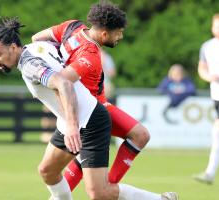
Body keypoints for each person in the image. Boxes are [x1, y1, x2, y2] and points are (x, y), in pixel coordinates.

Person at [0, 17, 178, 200]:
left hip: (91, 121)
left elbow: (64, 83)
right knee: (47, 171)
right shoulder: (39, 47)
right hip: (71, 120)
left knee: (99, 194)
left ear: (13, 47)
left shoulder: (29, 65)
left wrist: (71, 125)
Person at [32, 0, 150, 190]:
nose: (121, 36)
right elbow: (62, 80)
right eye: (118, 32)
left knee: (140, 136)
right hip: (92, 111)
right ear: (104, 33)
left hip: (91, 108)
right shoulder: (90, 56)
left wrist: (56, 59)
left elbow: (36, 38)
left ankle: (106, 188)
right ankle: (110, 189)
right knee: (140, 136)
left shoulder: (72, 26)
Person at [193, 14, 219, 184]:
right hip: (217, 94)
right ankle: (210, 174)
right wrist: (209, 77)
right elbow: (202, 68)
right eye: (218, 26)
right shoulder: (207, 47)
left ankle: (209, 173)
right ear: (213, 28)